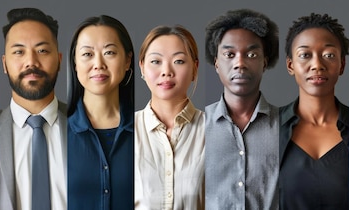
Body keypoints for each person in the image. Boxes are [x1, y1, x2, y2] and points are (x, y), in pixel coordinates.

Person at [204, 9, 280, 210]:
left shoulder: (289, 126)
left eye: (251, 54)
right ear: (216, 64)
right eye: (229, 54)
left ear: (265, 62)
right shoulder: (196, 127)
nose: (239, 63)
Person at [0, 7, 67, 210]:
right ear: (4, 63)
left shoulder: (86, 124)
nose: (31, 62)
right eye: (19, 52)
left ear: (59, 60)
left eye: (42, 50)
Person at [279, 13, 349, 209]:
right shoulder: (268, 129)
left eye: (329, 55)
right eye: (305, 55)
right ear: (290, 65)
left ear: (342, 64)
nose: (317, 65)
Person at [67, 15, 134, 210]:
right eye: (87, 54)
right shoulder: (57, 133)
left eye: (109, 52)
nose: (98, 64)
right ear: (75, 63)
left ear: (127, 60)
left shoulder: (147, 130)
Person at [134, 25, 204, 210]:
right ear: (142, 67)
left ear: (195, 68)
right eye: (156, 61)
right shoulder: (123, 131)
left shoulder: (215, 130)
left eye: (179, 61)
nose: (166, 71)